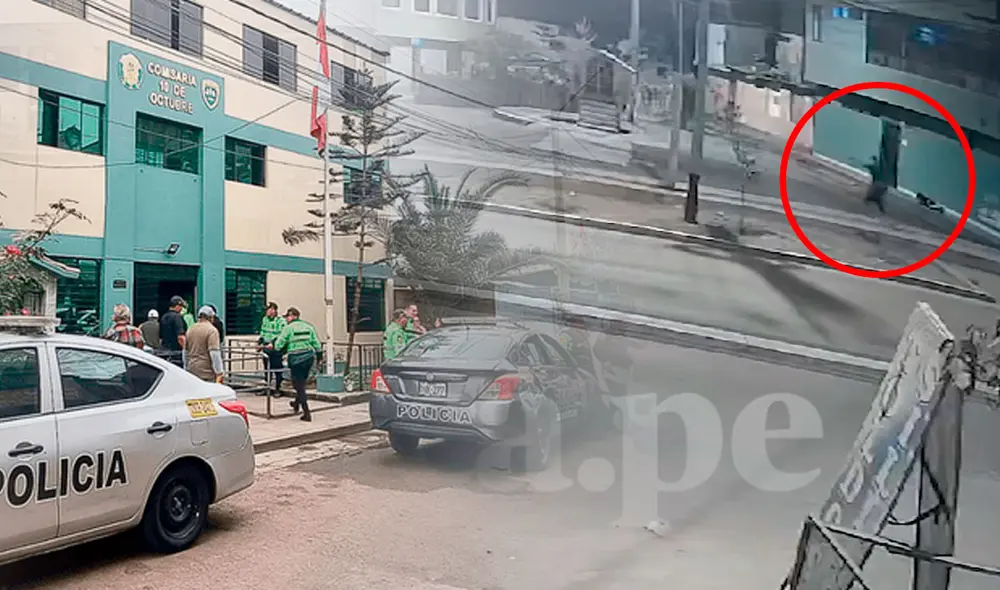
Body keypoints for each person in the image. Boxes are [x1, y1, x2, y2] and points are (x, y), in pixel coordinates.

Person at [273, 307, 322, 422]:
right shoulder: (308, 326)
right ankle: (295, 403)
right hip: (309, 358)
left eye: (287, 317)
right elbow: (316, 343)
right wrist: (319, 356)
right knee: (301, 383)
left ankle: (306, 413)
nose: (286, 319)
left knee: (299, 386)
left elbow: (279, 345)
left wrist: (276, 347)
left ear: (292, 316)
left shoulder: (288, 329)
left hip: (296, 359)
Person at [184, 306, 224, 383]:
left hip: (192, 370)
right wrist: (219, 372)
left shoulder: (190, 329)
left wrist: (186, 368)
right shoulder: (212, 330)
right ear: (211, 317)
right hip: (206, 372)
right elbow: (214, 353)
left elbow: (185, 352)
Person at [258, 302, 287, 396]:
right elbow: (263, 332)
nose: (267, 312)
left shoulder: (280, 321)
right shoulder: (265, 320)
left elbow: (282, 335)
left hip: (276, 348)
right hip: (266, 347)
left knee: (277, 368)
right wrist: (260, 343)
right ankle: (267, 388)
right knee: (267, 368)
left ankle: (278, 389)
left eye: (269, 309)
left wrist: (273, 343)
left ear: (274, 310)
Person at [159, 296, 188, 367]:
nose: (181, 309)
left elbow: (160, 337)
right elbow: (180, 337)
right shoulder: (177, 317)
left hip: (165, 351)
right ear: (177, 306)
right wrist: (186, 350)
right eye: (181, 306)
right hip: (176, 353)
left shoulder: (164, 317)